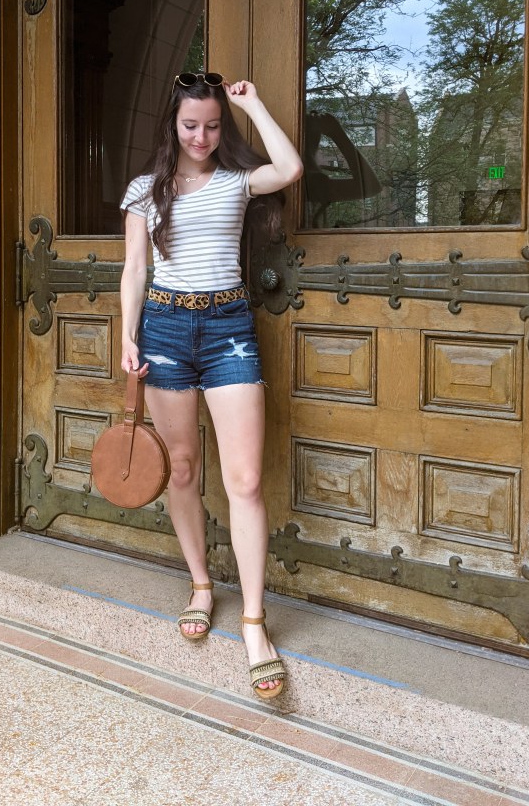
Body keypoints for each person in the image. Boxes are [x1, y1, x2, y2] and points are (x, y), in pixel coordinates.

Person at [119, 72, 303, 700]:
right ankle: (200, 583)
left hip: (228, 326)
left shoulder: (235, 181)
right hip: (165, 329)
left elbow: (289, 166)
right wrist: (129, 336)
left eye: (213, 124)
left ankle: (254, 624)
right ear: (173, 124)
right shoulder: (146, 190)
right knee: (183, 469)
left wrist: (253, 104)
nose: (201, 135)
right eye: (190, 124)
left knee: (245, 480)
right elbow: (135, 269)